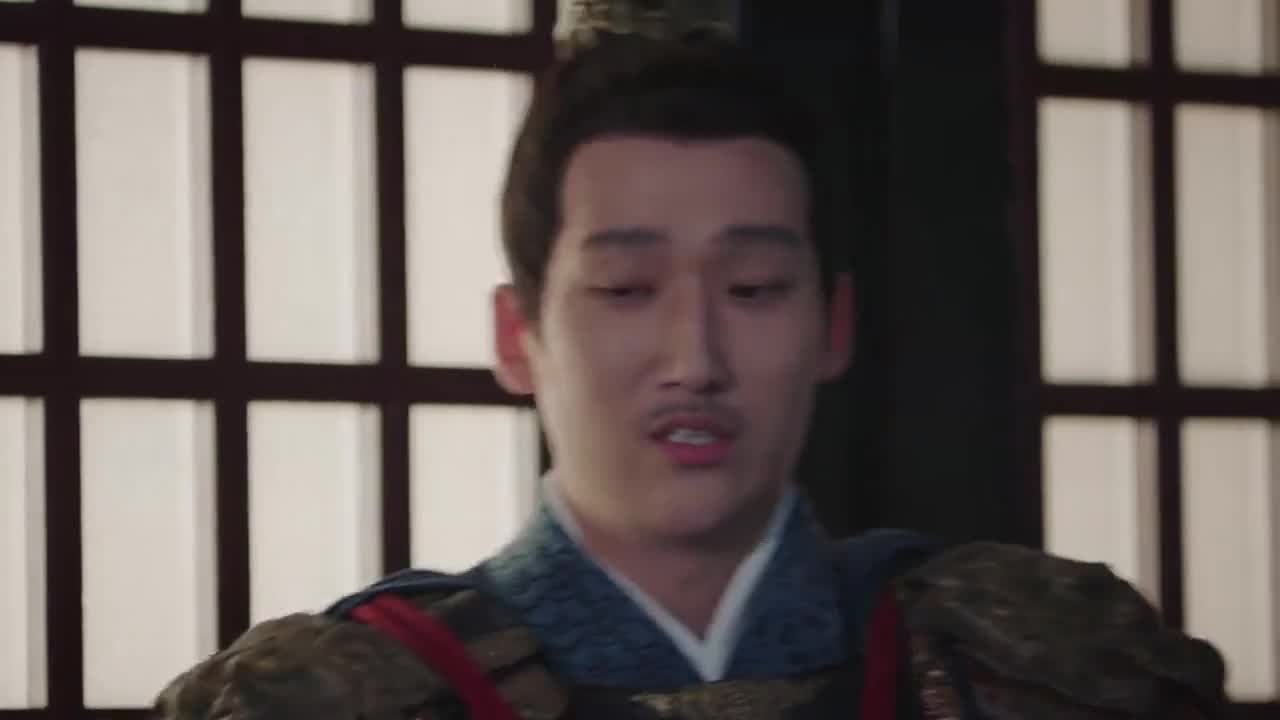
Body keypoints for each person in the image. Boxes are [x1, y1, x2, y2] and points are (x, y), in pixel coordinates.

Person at [154, 4, 1227, 718]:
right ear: (517, 338)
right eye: (626, 289)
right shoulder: (349, 693)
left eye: (752, 288)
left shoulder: (1029, 667)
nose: (695, 358)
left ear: (833, 325)